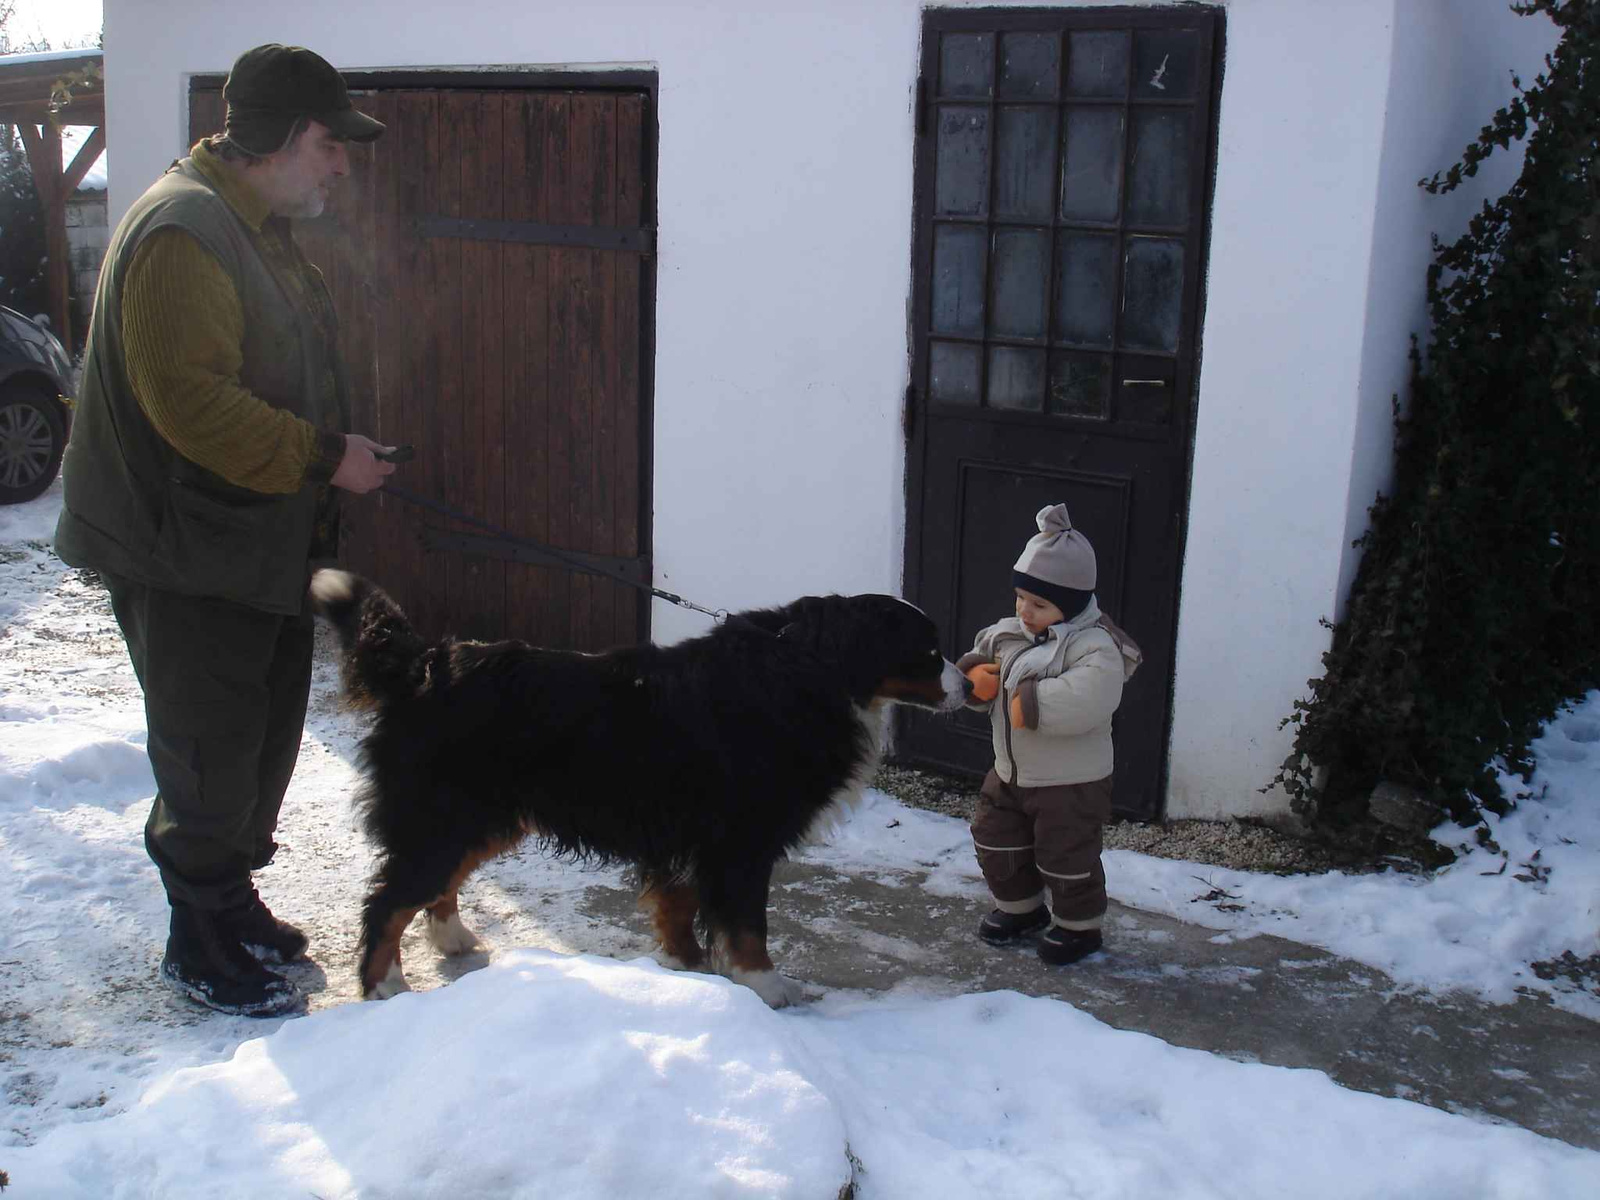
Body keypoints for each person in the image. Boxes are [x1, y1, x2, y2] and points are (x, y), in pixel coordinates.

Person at [54, 44, 396, 1016]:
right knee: (208, 749)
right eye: (331, 145)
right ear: (284, 137)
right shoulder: (183, 231)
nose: (341, 166)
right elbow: (193, 407)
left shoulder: (254, 222)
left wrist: (328, 455)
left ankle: (231, 903)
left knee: (258, 737)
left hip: (251, 541)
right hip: (184, 552)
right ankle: (199, 942)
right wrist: (328, 455)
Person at [957, 504, 1141, 966]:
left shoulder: (1096, 647)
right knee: (995, 838)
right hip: (1010, 771)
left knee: (1066, 855)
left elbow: (1090, 696)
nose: (1025, 610)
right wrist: (976, 682)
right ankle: (1020, 909)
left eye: (1039, 604)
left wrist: (1033, 702)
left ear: (1073, 603)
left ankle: (1079, 926)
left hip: (1070, 782)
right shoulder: (1007, 633)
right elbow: (983, 663)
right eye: (1021, 597)